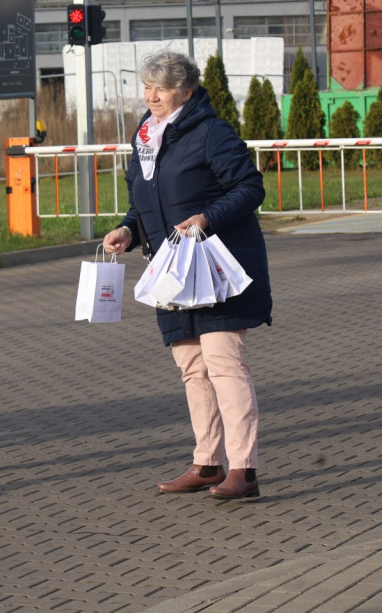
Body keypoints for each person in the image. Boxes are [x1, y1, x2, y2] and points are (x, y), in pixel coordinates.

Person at [103, 50, 272, 501]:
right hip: (173, 272)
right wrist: (127, 228)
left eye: (160, 87)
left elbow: (250, 187)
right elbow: (143, 201)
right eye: (146, 86)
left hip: (218, 269)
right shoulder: (145, 136)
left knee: (223, 365)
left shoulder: (211, 132)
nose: (150, 95)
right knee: (192, 368)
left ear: (186, 90)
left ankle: (244, 469)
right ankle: (207, 462)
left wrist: (206, 218)